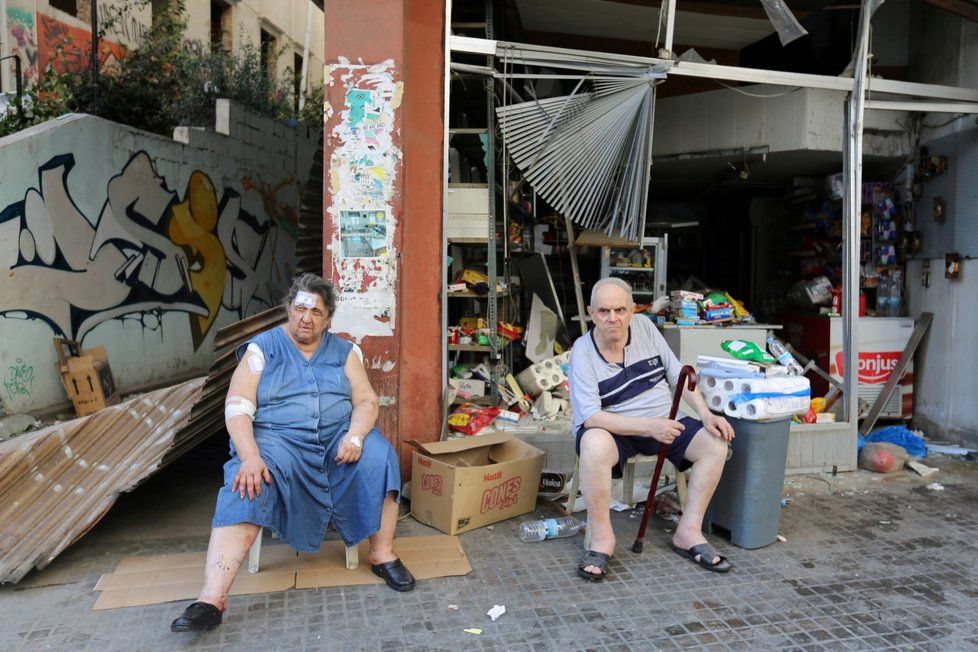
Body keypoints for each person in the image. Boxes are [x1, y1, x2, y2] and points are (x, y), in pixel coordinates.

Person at [171, 273, 413, 632]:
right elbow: (238, 406)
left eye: (316, 311)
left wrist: (356, 436)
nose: (306, 317)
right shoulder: (262, 348)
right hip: (277, 442)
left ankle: (382, 554)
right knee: (246, 480)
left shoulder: (344, 352)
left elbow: (366, 401)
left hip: (336, 440)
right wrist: (251, 456)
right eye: (300, 308)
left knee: (380, 456)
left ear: (327, 318)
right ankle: (211, 598)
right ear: (288, 308)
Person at [569, 278, 736, 582]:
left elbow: (678, 375)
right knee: (592, 442)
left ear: (632, 310)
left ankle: (688, 532)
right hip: (615, 431)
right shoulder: (582, 351)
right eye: (604, 311)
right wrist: (649, 427)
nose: (613, 318)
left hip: (664, 419)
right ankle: (602, 541)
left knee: (714, 443)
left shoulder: (645, 328)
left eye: (620, 309)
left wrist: (705, 413)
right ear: (591, 313)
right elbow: (591, 416)